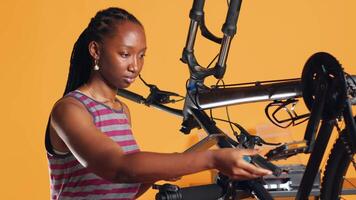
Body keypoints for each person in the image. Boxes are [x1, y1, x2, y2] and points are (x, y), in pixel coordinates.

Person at [45, 7, 272, 200]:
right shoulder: (69, 110)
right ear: (95, 50)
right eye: (125, 54)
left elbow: (123, 189)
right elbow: (118, 168)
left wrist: (167, 168)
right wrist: (211, 159)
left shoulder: (121, 110)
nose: (135, 66)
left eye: (141, 55)